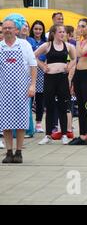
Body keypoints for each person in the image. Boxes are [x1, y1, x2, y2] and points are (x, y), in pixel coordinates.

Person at [0, 15, 37, 163]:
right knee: (5, 122)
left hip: (22, 89)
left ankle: (19, 152)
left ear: (16, 30)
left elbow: (33, 65)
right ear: (2, 30)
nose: (7, 30)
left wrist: (32, 85)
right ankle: (9, 152)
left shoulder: (24, 45)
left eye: (10, 28)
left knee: (21, 122)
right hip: (3, 90)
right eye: (5, 28)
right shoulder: (0, 46)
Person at [35, 25, 76, 145]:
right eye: (60, 32)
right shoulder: (47, 45)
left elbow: (74, 59)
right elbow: (34, 55)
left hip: (62, 78)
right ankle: (48, 135)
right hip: (50, 78)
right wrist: (42, 66)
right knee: (49, 106)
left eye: (64, 32)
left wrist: (69, 66)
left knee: (63, 107)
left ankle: (64, 134)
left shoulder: (68, 46)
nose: (62, 34)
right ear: (53, 33)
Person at [69, 19, 87, 146]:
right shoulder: (80, 40)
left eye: (83, 26)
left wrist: (76, 40)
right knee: (80, 105)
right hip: (79, 73)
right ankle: (83, 135)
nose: (80, 28)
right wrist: (72, 77)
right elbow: (75, 59)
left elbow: (80, 53)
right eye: (79, 26)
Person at [29, 20, 47, 133]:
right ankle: (28, 123)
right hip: (30, 70)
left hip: (42, 71)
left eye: (40, 29)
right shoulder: (28, 40)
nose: (38, 31)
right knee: (29, 98)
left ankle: (39, 123)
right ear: (32, 30)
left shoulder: (45, 41)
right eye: (36, 29)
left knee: (40, 99)